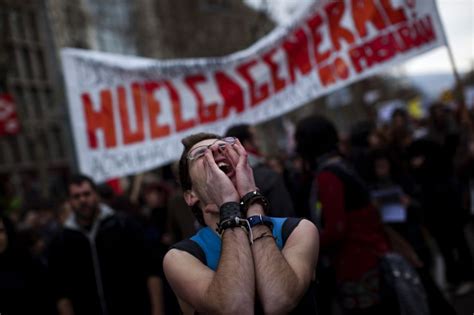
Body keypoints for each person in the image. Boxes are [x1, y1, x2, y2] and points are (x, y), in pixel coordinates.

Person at [163, 133, 319, 314]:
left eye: (224, 147)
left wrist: (252, 203)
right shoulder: (181, 258)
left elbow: (280, 300)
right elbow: (235, 308)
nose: (215, 150)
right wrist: (229, 207)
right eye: (200, 154)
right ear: (191, 196)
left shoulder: (298, 231)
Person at [295, 115, 428, 315]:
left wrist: (304, 243)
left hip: (358, 265)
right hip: (372, 254)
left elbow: (336, 229)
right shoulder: (340, 164)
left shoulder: (327, 176)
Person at [48, 174, 164, 315]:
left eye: (87, 194)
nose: (83, 200)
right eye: (76, 196)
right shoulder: (61, 241)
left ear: (96, 195)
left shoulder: (123, 225)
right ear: (70, 201)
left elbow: (151, 270)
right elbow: (61, 292)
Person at [225, 124, 296, 217]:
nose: (259, 142)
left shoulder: (225, 176)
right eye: (255, 138)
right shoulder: (267, 175)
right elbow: (284, 214)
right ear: (247, 143)